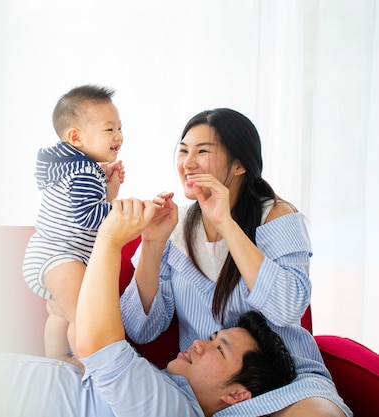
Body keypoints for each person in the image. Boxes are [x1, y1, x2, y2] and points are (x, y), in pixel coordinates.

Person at [120, 108, 352, 417]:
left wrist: (225, 223)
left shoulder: (277, 217)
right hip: (212, 393)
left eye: (202, 152)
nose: (188, 163)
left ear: (240, 164)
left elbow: (286, 308)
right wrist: (151, 242)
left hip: (291, 379)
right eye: (184, 151)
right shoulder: (173, 231)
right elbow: (140, 329)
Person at [0, 198, 297, 417]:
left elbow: (97, 345)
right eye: (212, 339)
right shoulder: (166, 388)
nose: (199, 345)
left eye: (220, 350)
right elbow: (83, 362)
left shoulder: (169, 410)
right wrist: (152, 242)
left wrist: (110, 239)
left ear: (236, 395)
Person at [22, 85, 125, 368]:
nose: (118, 136)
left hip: (49, 254)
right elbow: (88, 217)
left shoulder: (72, 168)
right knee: (84, 315)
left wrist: (109, 192)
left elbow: (81, 212)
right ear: (76, 137)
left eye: (119, 128)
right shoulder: (84, 171)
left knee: (59, 311)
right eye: (109, 130)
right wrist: (120, 211)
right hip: (60, 256)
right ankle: (91, 367)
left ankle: (55, 359)